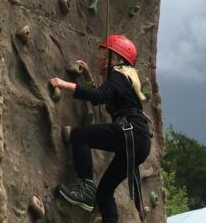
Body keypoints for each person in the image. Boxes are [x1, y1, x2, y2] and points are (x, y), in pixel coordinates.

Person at [50, 35, 152, 223]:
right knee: (105, 192)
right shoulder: (126, 79)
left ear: (116, 58)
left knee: (80, 135)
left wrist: (64, 84)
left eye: (105, 54)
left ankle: (85, 189)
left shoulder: (119, 75)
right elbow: (101, 97)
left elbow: (99, 94)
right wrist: (88, 77)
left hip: (132, 133)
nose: (100, 57)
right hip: (140, 141)